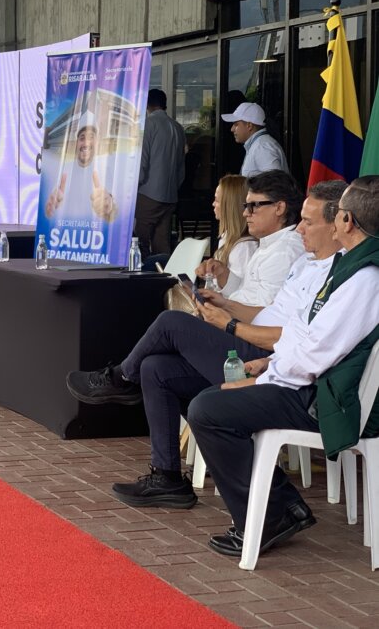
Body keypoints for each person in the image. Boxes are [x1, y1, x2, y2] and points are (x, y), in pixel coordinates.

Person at [65, 180, 346, 509]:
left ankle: (122, 378)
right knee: (156, 368)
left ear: (338, 225)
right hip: (252, 342)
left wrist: (229, 324)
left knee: (171, 323)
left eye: (308, 222)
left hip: (270, 358)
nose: (299, 228)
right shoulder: (304, 263)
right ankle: (167, 477)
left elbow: (293, 337)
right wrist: (225, 305)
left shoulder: (319, 266)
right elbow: (267, 313)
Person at [187, 176, 379, 558]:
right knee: (208, 400)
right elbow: (304, 334)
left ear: (346, 221)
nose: (302, 228)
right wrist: (268, 365)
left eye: (335, 215)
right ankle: (282, 508)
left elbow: (313, 356)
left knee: (207, 410)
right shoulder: (349, 266)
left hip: (327, 401)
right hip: (313, 386)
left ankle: (271, 516)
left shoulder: (365, 277)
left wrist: (263, 379)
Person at [196, 170, 304, 311]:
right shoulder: (269, 244)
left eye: (254, 206)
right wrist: (223, 274)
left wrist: (221, 308)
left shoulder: (283, 252)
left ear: (279, 208)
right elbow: (245, 293)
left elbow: (264, 314)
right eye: (246, 206)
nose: (245, 213)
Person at [134, 89, 185, 259]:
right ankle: (163, 274)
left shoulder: (148, 124)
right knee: (162, 245)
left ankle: (143, 274)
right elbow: (181, 166)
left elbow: (142, 162)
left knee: (139, 243)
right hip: (170, 196)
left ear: (146, 104)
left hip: (148, 193)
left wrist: (133, 187)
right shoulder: (178, 127)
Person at [44, 114, 116, 223]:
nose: (86, 143)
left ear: (97, 141)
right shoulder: (64, 170)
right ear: (77, 142)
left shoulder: (104, 171)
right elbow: (51, 205)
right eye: (82, 138)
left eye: (91, 137)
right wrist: (50, 209)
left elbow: (113, 212)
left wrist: (109, 206)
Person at [201, 174, 257, 297]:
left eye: (217, 200)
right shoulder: (227, 239)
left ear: (229, 206)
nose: (213, 204)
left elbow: (238, 294)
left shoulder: (244, 247)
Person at [221, 103, 289, 177]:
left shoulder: (262, 147)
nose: (232, 129)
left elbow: (276, 182)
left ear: (249, 125)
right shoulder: (259, 144)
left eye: (236, 124)